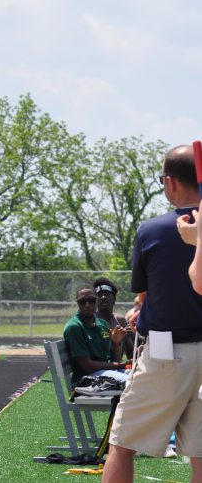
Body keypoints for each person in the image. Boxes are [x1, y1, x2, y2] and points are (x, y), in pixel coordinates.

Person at [103, 145, 202, 483]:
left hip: (165, 352)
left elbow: (142, 290)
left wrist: (142, 309)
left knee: (122, 444)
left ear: (171, 182)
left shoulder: (152, 230)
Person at [63, 286, 127, 394]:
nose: (87, 305)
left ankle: (119, 411)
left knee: (140, 377)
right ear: (78, 303)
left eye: (91, 300)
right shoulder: (74, 327)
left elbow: (114, 359)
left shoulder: (103, 324)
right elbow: (87, 367)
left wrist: (116, 343)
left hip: (105, 373)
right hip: (87, 380)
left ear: (96, 301)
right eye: (82, 302)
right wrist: (122, 365)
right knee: (129, 381)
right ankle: (121, 411)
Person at [93, 277, 134, 361]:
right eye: (99, 295)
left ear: (114, 298)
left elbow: (130, 352)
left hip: (118, 369)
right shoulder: (92, 320)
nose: (103, 297)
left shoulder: (120, 321)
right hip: (100, 370)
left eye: (107, 294)